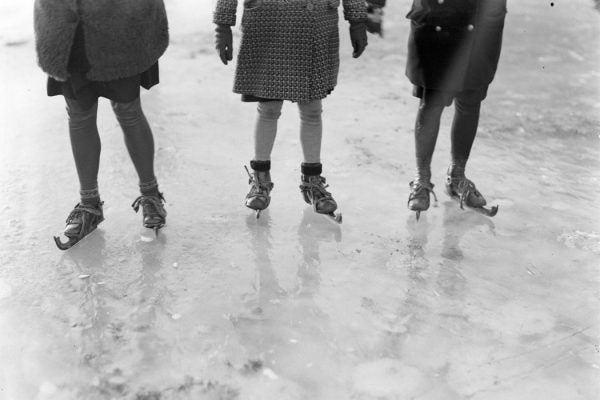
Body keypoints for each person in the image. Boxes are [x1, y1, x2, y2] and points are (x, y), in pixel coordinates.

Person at [213, 0, 368, 221]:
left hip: (316, 24)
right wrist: (222, 25)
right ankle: (260, 180)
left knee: (312, 110)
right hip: (268, 22)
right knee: (268, 108)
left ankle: (313, 181)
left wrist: (357, 20)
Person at [33, 0, 169, 248]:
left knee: (128, 110)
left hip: (121, 27)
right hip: (67, 27)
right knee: (79, 114)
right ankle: (89, 205)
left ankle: (151, 195)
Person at [405, 0, 506, 219]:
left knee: (470, 99)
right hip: (438, 16)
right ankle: (422, 179)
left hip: (482, 18)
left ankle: (457, 176)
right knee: (432, 101)